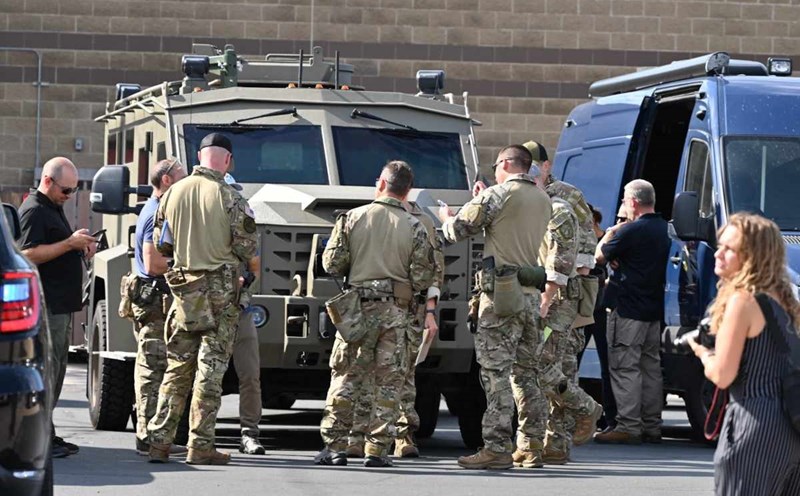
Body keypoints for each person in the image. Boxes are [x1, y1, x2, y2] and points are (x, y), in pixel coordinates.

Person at [147, 133, 258, 465]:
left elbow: (161, 245)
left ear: (199, 156)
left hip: (184, 291)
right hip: (220, 292)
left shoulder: (171, 194)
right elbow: (247, 249)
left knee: (177, 368)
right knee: (210, 370)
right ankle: (201, 444)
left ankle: (159, 441)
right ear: (227, 161)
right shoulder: (231, 198)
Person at [438, 144, 551, 470]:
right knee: (527, 375)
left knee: (495, 375)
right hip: (530, 296)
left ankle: (496, 447)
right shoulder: (542, 199)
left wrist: (447, 217)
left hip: (500, 298)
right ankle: (531, 446)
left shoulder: (496, 196)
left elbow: (456, 231)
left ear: (504, 164)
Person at [316, 160, 435, 468]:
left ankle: (335, 446)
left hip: (357, 310)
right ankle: (376, 450)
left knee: (346, 377)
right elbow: (423, 278)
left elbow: (331, 264)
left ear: (381, 183)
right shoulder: (416, 227)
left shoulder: (352, 218)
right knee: (389, 382)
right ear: (407, 190)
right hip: (396, 312)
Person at [689, 213, 800, 495]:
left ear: (752, 256)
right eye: (720, 245)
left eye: (730, 249)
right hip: (791, 428)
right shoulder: (786, 301)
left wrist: (702, 353)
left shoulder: (743, 300)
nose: (719, 254)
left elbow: (723, 376)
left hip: (754, 423)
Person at [346, 201, 444, 459]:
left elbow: (434, 270)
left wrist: (430, 312)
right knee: (363, 371)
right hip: (370, 307)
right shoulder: (367, 215)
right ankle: (358, 435)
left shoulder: (422, 220)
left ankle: (403, 435)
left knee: (404, 373)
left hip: (410, 309)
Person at [18, 157, 97, 458]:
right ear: (48, 181)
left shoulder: (52, 207)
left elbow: (58, 246)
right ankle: (37, 440)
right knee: (46, 373)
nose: (69, 196)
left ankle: (46, 433)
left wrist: (80, 246)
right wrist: (69, 244)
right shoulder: (35, 210)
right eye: (66, 190)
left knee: (56, 372)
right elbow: (28, 254)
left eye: (74, 191)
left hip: (59, 306)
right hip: (46, 306)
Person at [528, 164, 602, 466]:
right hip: (554, 297)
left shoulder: (562, 202)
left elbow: (584, 249)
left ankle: (582, 411)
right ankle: (555, 444)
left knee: (548, 365)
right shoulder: (537, 202)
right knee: (556, 366)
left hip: (560, 299)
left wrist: (554, 293)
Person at [594, 179, 670, 444]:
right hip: (653, 309)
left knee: (625, 367)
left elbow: (599, 257)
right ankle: (652, 425)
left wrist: (612, 231)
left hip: (627, 308)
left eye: (625, 200)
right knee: (650, 367)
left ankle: (628, 425)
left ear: (633, 202)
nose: (623, 204)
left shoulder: (629, 231)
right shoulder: (665, 229)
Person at [129, 158, 187, 456]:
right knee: (152, 369)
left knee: (157, 368)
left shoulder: (158, 210)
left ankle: (152, 434)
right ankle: (148, 437)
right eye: (181, 177)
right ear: (166, 180)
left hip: (156, 298)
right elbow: (153, 264)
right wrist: (189, 263)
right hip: (154, 300)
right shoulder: (155, 215)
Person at [223, 173, 267, 456]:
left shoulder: (245, 226)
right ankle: (197, 434)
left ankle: (249, 433)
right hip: (207, 311)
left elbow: (254, 266)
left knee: (250, 375)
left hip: (239, 309)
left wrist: (245, 285)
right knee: (203, 376)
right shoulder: (199, 226)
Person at [578, 204, 623, 432]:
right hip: (585, 308)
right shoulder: (579, 240)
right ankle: (576, 413)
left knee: (607, 363)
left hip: (600, 308)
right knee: (573, 359)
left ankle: (610, 416)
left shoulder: (606, 238)